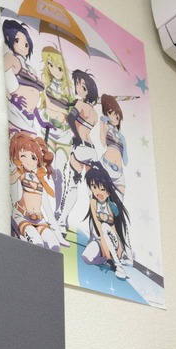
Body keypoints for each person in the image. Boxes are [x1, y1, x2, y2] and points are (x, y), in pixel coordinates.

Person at [9, 132, 68, 250]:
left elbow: (47, 202)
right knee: (37, 243)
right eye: (23, 156)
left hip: (39, 219)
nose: (29, 161)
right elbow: (11, 180)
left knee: (54, 246)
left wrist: (57, 232)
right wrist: (18, 170)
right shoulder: (20, 173)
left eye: (33, 157)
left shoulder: (40, 178)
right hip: (22, 216)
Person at [59, 70, 99, 234]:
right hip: (91, 151)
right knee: (93, 191)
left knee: (73, 186)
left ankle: (62, 221)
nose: (78, 87)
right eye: (77, 84)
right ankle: (95, 230)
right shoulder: (94, 113)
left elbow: (70, 119)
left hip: (80, 147)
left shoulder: (81, 105)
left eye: (82, 85)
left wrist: (75, 136)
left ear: (88, 89)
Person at [39, 46, 75, 216]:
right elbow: (48, 106)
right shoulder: (46, 83)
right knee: (48, 170)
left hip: (64, 136)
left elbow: (68, 115)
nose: (54, 70)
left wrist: (64, 112)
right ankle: (44, 206)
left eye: (58, 68)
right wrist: (60, 111)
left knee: (59, 172)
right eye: (50, 65)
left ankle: (59, 208)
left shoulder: (68, 90)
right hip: (49, 131)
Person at [82, 163, 132, 280]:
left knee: (105, 226)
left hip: (115, 243)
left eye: (102, 189)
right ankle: (107, 260)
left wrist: (122, 251)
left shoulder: (112, 205)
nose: (98, 192)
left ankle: (118, 265)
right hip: (103, 241)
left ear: (108, 190)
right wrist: (105, 252)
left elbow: (116, 229)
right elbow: (99, 228)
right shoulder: (93, 203)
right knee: (86, 257)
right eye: (94, 187)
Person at [2, 19, 45, 135]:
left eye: (26, 44)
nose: (24, 47)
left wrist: (41, 121)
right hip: (14, 112)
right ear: (9, 39)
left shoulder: (32, 69)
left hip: (29, 117)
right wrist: (11, 98)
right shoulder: (11, 58)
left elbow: (33, 100)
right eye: (17, 40)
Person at [100, 94, 128, 200]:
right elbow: (103, 143)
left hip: (119, 172)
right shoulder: (106, 126)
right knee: (104, 200)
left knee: (119, 203)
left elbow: (125, 160)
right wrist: (102, 124)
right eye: (110, 112)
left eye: (116, 114)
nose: (114, 116)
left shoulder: (121, 137)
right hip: (106, 166)